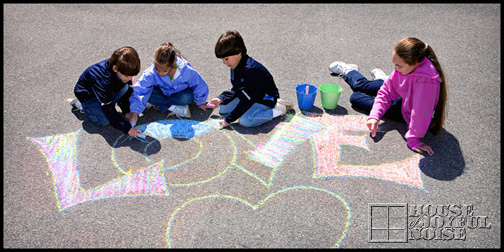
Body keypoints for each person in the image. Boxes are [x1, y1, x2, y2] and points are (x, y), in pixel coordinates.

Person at [329, 37, 447, 156]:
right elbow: (385, 92)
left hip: (406, 107)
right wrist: (375, 116)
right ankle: (350, 71)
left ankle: (378, 79)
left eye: (399, 66)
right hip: (404, 95)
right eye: (395, 64)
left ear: (415, 64)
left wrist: (414, 140)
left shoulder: (426, 82)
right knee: (363, 87)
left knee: (356, 97)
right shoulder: (406, 68)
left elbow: (420, 113)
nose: (395, 69)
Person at [207, 30, 293, 128]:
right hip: (250, 96)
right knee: (223, 108)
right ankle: (251, 110)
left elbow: (247, 100)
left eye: (226, 59)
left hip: (265, 99)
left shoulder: (251, 70)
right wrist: (221, 99)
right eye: (222, 60)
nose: (224, 63)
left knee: (246, 121)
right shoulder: (235, 65)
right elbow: (237, 89)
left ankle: (279, 110)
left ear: (238, 53)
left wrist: (228, 120)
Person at [128, 42, 209, 124]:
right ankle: (173, 107)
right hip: (162, 92)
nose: (160, 73)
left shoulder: (185, 70)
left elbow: (198, 84)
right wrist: (134, 112)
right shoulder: (151, 72)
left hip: (179, 93)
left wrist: (200, 102)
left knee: (187, 97)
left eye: (164, 71)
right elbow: (140, 89)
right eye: (157, 69)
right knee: (146, 93)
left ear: (173, 63)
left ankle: (160, 104)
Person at [71, 46, 143, 138]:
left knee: (125, 87)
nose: (129, 78)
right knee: (104, 121)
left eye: (132, 75)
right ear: (115, 68)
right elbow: (108, 108)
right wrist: (127, 128)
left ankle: (105, 102)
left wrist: (127, 110)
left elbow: (128, 90)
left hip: (105, 91)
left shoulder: (122, 67)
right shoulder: (103, 80)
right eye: (127, 76)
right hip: (89, 97)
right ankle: (82, 105)